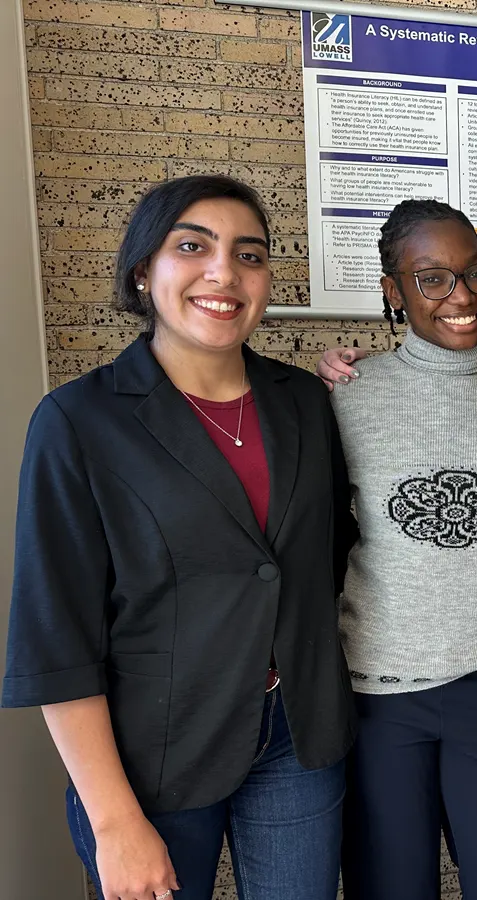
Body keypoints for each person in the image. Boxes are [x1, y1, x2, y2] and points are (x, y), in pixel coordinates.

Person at [1, 175, 357, 900]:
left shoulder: (304, 405)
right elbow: (55, 638)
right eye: (192, 246)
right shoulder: (79, 421)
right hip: (152, 755)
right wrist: (113, 822)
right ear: (144, 270)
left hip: (299, 737)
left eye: (249, 255)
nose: (224, 273)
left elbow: (327, 561)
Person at [322, 199, 477, 899]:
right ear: (393, 292)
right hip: (379, 694)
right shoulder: (344, 397)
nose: (462, 296)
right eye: (433, 279)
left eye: (474, 273)